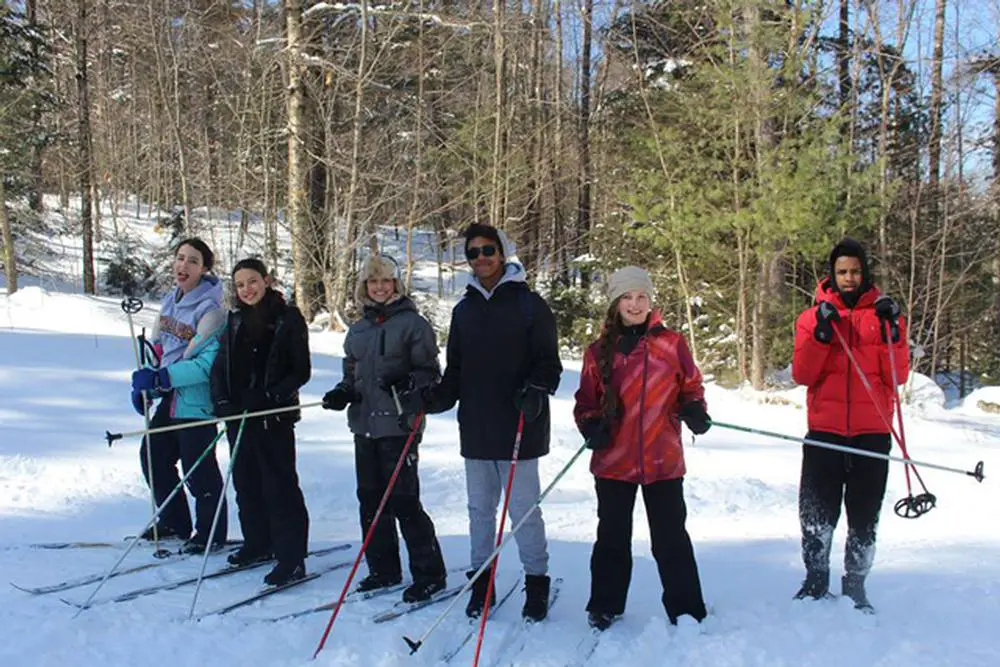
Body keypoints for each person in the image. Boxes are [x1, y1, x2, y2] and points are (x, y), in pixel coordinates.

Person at [399, 224, 562, 622]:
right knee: (479, 510)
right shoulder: (464, 310)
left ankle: (536, 582)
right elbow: (455, 373)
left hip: (520, 423)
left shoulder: (530, 305)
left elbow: (549, 363)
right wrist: (433, 398)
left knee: (523, 509)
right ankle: (481, 582)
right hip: (476, 425)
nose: (482, 257)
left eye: (489, 250)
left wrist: (537, 388)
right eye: (473, 252)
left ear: (502, 253)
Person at [573, 266, 710, 631]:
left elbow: (692, 388)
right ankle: (605, 605)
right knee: (612, 537)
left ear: (651, 301)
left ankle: (686, 608)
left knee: (670, 538)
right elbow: (585, 402)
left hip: (662, 458)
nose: (635, 304)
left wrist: (695, 409)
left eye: (641, 297)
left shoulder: (672, 344)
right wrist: (590, 426)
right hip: (614, 459)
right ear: (615, 303)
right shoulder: (598, 351)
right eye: (627, 298)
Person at [791, 237, 909, 612]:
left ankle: (855, 584)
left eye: (855, 271)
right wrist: (822, 335)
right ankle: (814, 579)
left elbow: (899, 375)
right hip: (825, 430)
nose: (848, 277)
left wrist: (894, 331)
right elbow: (803, 373)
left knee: (863, 512)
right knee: (817, 510)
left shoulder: (885, 315)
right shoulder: (812, 318)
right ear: (832, 273)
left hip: (871, 431)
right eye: (842, 271)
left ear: (865, 272)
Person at [322, 254, 448, 603]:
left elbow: (430, 374)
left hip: (399, 424)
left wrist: (407, 380)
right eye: (373, 281)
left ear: (396, 284)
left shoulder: (413, 324)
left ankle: (429, 573)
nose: (379, 287)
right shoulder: (359, 329)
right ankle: (383, 568)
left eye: (386, 281)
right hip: (364, 426)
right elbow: (353, 374)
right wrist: (342, 392)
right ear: (365, 286)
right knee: (370, 500)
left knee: (404, 501)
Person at [210, 258, 311, 586]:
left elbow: (300, 370)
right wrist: (222, 400)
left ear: (266, 280)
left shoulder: (287, 317)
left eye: (252, 281)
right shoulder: (235, 319)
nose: (247, 289)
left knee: (279, 488)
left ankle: (291, 557)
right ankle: (258, 542)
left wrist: (270, 397)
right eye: (240, 285)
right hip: (240, 417)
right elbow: (220, 365)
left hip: (272, 417)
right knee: (246, 483)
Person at [130, 238, 228, 554]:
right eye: (180, 258)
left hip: (195, 403)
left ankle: (211, 530)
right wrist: (147, 382)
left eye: (193, 261)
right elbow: (158, 348)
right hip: (170, 400)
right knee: (153, 456)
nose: (183, 266)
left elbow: (204, 365)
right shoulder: (170, 302)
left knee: (199, 471)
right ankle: (174, 522)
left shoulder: (211, 311)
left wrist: (163, 377)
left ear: (204, 268)